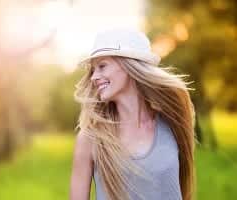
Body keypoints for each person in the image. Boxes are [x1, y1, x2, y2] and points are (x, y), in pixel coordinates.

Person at [70, 28, 196, 200]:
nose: (94, 77)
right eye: (93, 70)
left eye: (102, 66)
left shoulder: (172, 123)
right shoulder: (90, 139)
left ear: (128, 66)